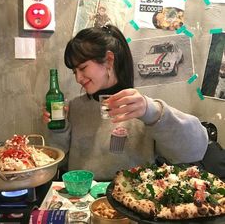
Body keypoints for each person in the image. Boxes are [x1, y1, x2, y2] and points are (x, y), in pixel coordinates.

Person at [43, 24, 208, 181]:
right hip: (80, 203)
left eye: (83, 68)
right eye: (74, 71)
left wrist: (153, 112)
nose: (78, 78)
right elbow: (58, 165)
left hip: (132, 202)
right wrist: (59, 127)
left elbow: (195, 151)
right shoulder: (75, 107)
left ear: (108, 60)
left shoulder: (141, 107)